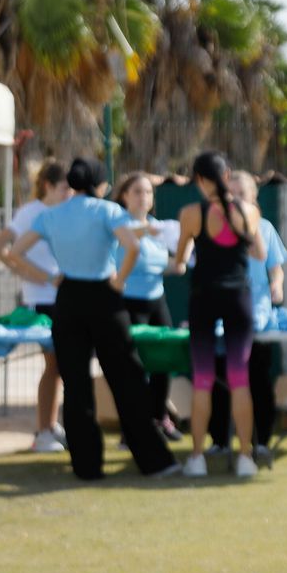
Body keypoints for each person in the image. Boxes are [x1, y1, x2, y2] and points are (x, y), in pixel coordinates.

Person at [11, 158, 179, 482]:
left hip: (68, 299)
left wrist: (50, 277)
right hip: (104, 298)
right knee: (126, 380)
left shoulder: (52, 214)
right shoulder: (107, 211)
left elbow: (15, 251)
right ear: (100, 184)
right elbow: (131, 246)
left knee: (76, 385)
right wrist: (120, 281)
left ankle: (86, 467)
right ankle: (155, 462)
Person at [173, 151, 266, 478]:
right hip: (238, 298)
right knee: (240, 378)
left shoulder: (190, 213)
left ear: (200, 179)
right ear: (227, 176)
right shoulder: (250, 211)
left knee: (203, 380)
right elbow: (259, 253)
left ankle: (196, 458)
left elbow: (180, 259)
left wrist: (177, 261)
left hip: (203, 299)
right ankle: (246, 458)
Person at [206, 170, 287, 467]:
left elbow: (274, 265)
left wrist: (276, 284)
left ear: (254, 198)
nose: (236, 200)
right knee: (217, 379)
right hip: (221, 315)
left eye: (242, 194)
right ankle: (218, 440)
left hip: (257, 316)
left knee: (257, 380)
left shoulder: (264, 228)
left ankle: (261, 441)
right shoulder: (213, 226)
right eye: (231, 194)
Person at [0, 159, 70, 453]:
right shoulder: (31, 213)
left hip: (62, 299)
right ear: (48, 186)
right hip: (43, 301)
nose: (69, 194)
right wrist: (40, 276)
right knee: (53, 365)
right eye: (64, 187)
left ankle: (50, 426)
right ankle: (43, 430)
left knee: (60, 366)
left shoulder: (62, 212)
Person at [112, 170, 180, 443]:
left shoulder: (158, 228)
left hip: (157, 301)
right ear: (124, 196)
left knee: (164, 360)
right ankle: (133, 428)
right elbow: (125, 244)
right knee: (133, 367)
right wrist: (146, 231)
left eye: (148, 192)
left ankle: (159, 417)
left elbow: (170, 265)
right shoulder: (118, 224)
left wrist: (183, 259)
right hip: (128, 303)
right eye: (137, 191)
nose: (144, 197)